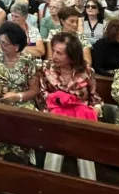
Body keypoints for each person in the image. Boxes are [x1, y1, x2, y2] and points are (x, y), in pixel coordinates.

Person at [40, 33, 101, 179]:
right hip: (55, 117)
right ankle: (48, 187)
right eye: (54, 51)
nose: (54, 55)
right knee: (55, 145)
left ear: (72, 56)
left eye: (60, 53)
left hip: (80, 118)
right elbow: (42, 94)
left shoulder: (86, 71)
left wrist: (97, 109)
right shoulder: (47, 67)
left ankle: (89, 188)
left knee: (84, 150)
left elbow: (94, 97)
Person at [0, 21, 40, 163]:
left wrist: (17, 96)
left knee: (23, 121)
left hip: (19, 101)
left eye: (5, 44)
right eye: (1, 41)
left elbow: (34, 90)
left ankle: (18, 161)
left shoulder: (28, 60)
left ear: (17, 47)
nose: (1, 46)